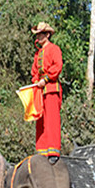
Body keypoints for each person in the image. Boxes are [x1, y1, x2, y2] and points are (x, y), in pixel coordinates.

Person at [31, 21, 63, 161]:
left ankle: (53, 151)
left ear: (47, 34)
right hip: (40, 90)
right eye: (37, 34)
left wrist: (46, 79)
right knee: (41, 120)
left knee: (52, 120)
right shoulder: (38, 54)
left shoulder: (54, 49)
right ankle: (42, 150)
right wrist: (35, 83)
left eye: (41, 34)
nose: (38, 37)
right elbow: (34, 72)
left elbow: (58, 66)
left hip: (51, 88)